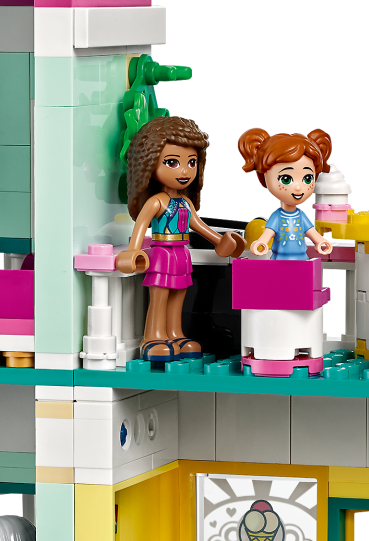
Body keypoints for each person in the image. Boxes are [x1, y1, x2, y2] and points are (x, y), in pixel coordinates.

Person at [117, 116, 245, 361]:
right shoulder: (156, 201)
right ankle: (153, 337)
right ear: (150, 164)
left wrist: (221, 241)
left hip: (181, 254)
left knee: (179, 295)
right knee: (159, 296)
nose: (185, 171)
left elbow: (200, 226)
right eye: (172, 162)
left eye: (191, 162)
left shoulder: (185, 202)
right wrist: (133, 250)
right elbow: (141, 226)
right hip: (161, 253)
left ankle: (175, 334)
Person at [237, 127, 336, 260]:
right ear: (265, 178)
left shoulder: (301, 216)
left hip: (302, 259)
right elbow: (269, 233)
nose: (298, 187)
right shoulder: (277, 216)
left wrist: (320, 241)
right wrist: (261, 242)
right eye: (286, 179)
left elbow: (311, 232)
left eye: (307, 178)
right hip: (279, 260)